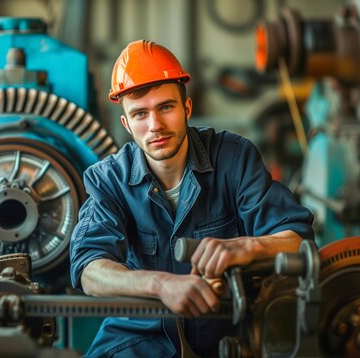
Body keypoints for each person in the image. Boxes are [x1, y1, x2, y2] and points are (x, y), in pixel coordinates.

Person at [69, 39, 314, 358]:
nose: (155, 126)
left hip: (230, 329)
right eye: (140, 114)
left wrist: (246, 246)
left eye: (165, 107)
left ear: (186, 108)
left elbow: (299, 241)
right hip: (141, 335)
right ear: (127, 124)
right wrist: (160, 286)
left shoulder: (234, 158)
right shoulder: (109, 179)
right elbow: (89, 268)